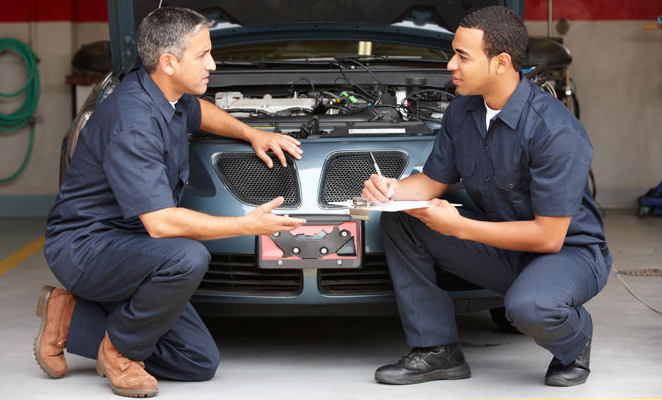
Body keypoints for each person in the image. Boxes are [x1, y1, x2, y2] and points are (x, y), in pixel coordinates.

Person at [34, 7, 306, 398]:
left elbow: (201, 113)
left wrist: (252, 133)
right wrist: (248, 225)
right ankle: (117, 353)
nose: (212, 63)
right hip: (87, 247)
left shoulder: (169, 94)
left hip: (134, 246)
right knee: (187, 257)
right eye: (202, 55)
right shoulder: (133, 122)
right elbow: (161, 224)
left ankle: (70, 318)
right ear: (168, 62)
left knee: (197, 361)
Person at [361, 6, 611, 387]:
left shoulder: (554, 131)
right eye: (453, 53)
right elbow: (430, 182)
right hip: (507, 246)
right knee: (401, 219)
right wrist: (387, 190)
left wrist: (460, 227)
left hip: (569, 253)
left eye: (462, 55)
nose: (450, 65)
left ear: (501, 63)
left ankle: (575, 339)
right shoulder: (463, 111)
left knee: (529, 307)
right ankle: (436, 349)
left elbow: (548, 237)